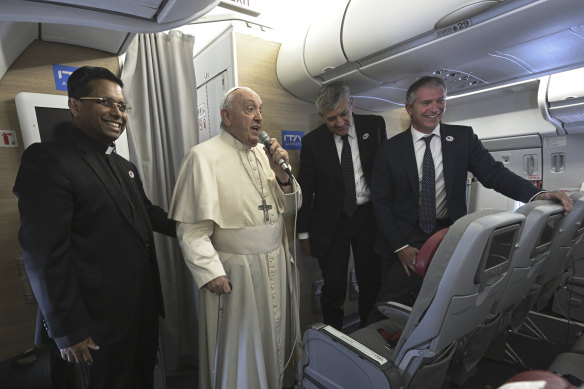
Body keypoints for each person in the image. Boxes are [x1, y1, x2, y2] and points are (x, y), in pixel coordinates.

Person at [13, 66, 176, 389]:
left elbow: (145, 213)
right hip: (94, 321)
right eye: (105, 102)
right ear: (75, 105)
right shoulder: (48, 159)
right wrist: (68, 330)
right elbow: (44, 254)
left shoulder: (122, 166)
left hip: (139, 308)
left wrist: (193, 228)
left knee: (141, 377)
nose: (117, 113)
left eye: (122, 106)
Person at [371, 75, 574, 307]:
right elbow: (381, 202)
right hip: (406, 235)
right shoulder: (389, 150)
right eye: (426, 103)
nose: (435, 108)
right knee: (389, 302)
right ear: (409, 108)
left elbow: (494, 174)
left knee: (440, 300)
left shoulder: (462, 138)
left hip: (448, 232)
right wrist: (401, 246)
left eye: (440, 101)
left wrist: (538, 195)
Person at [168, 86, 302, 389]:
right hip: (235, 272)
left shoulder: (265, 156)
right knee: (240, 347)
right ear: (226, 116)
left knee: (274, 338)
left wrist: (281, 174)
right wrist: (210, 272)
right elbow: (191, 229)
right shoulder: (202, 157)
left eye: (261, 109)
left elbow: (293, 208)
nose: (259, 117)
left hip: (274, 263)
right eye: (249, 109)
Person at [297, 82, 387, 330]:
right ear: (321, 117)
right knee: (333, 285)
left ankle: (370, 334)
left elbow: (385, 176)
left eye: (343, 114)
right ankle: (334, 338)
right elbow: (305, 191)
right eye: (331, 119)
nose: (339, 123)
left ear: (352, 104)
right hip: (332, 223)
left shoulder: (375, 126)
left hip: (368, 218)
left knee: (371, 281)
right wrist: (303, 233)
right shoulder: (313, 143)